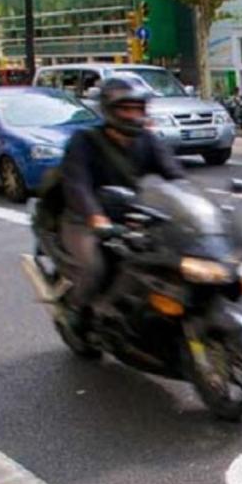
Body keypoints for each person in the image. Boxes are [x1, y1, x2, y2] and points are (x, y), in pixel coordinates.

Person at [58, 76, 185, 324]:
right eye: (126, 108)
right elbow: (77, 185)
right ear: (109, 110)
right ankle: (77, 313)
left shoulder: (148, 141)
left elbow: (175, 175)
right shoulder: (84, 141)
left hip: (129, 216)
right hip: (84, 220)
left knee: (167, 261)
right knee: (95, 267)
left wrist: (193, 207)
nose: (132, 114)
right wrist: (96, 220)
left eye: (137, 108)